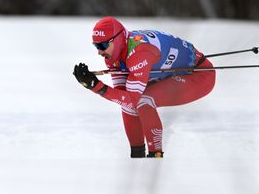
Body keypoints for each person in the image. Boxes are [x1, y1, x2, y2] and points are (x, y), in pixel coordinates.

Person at [73, 17, 216, 158]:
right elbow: (124, 98)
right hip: (172, 74)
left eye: (102, 46)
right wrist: (94, 86)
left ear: (116, 40)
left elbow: (132, 100)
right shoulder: (113, 55)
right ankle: (136, 157)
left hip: (199, 75)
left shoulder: (139, 53)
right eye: (96, 46)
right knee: (128, 106)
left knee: (144, 101)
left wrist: (96, 86)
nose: (99, 52)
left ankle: (156, 157)